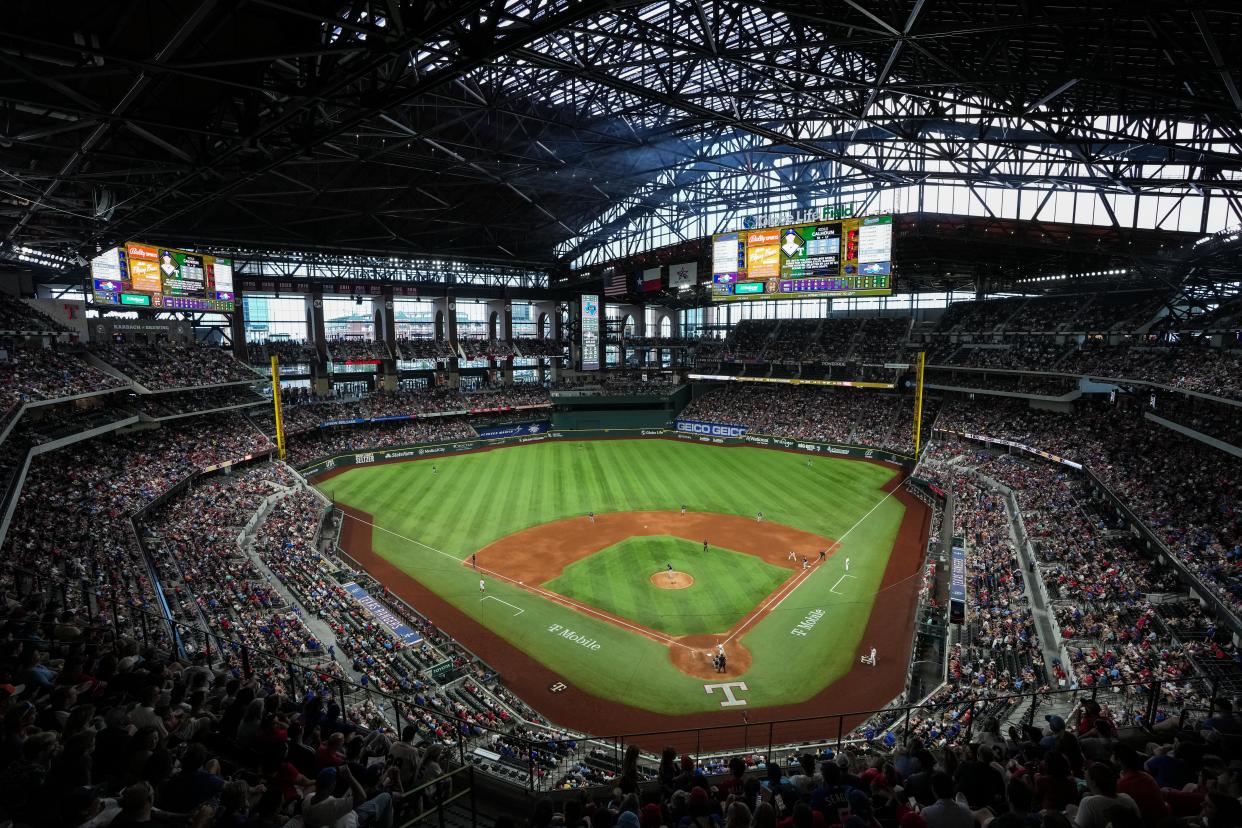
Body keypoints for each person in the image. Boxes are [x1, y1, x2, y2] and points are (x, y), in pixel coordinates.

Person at [302, 766, 393, 828]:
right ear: (331, 786)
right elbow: (362, 798)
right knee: (386, 796)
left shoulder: (308, 798)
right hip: (355, 819)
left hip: (344, 815)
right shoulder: (331, 806)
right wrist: (349, 776)